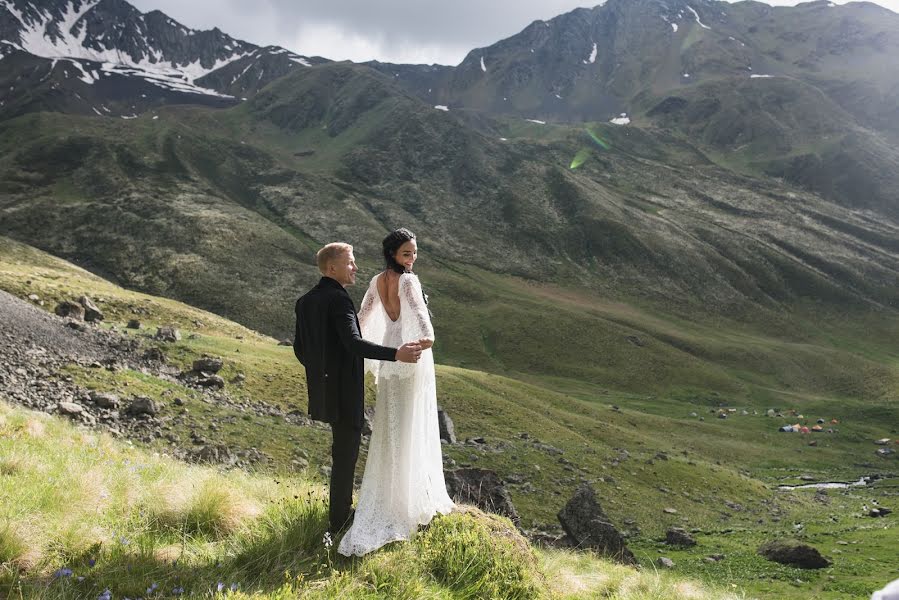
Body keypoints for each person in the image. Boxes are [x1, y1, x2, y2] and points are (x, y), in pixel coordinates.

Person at [338, 228, 454, 557]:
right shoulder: (407, 281)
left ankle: (390, 495)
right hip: (411, 356)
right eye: (407, 254)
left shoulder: (376, 280)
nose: (412, 259)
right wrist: (428, 339)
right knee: (411, 424)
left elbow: (362, 317)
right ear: (393, 253)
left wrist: (352, 343)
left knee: (391, 428)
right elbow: (419, 315)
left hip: (389, 357)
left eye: (414, 253)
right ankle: (406, 500)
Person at [293, 242, 423, 533]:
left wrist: (322, 372)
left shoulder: (305, 301)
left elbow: (300, 349)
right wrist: (396, 354)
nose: (355, 268)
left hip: (323, 389)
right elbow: (353, 343)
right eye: (350, 263)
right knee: (346, 453)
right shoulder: (339, 300)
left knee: (341, 450)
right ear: (332, 268)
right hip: (345, 391)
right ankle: (340, 520)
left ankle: (339, 514)